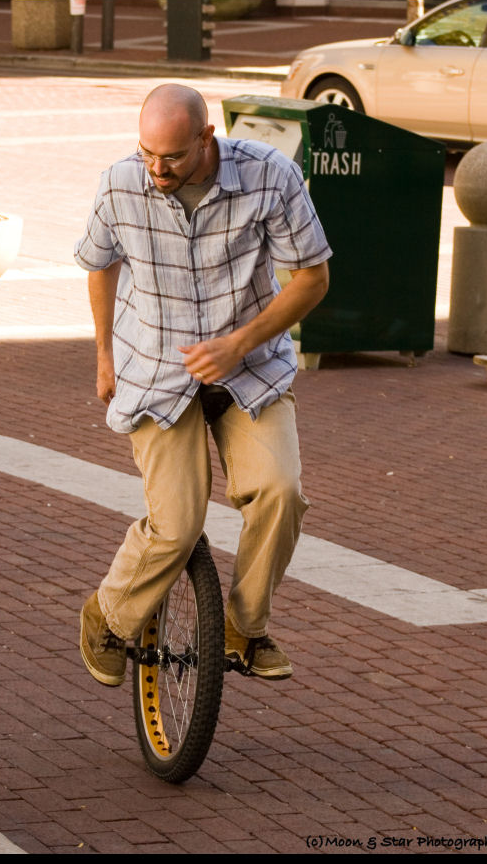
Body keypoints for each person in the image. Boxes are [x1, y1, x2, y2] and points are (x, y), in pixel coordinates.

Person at [74, 83, 331, 686]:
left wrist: (238, 343)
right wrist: (104, 357)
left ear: (206, 137)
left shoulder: (269, 176)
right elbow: (100, 264)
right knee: (178, 524)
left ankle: (242, 626)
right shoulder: (120, 183)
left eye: (174, 157)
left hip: (250, 368)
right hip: (156, 371)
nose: (158, 170)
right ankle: (107, 617)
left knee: (280, 492)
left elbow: (313, 278)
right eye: (148, 154)